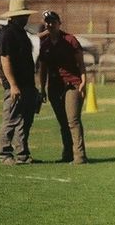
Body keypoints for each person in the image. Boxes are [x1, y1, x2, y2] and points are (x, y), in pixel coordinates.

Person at [37, 11, 89, 164]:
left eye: (53, 21)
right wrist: (42, 88)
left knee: (73, 120)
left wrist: (84, 82)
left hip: (72, 85)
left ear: (60, 23)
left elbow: (81, 63)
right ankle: (67, 154)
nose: (50, 25)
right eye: (48, 22)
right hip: (54, 87)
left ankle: (80, 156)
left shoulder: (70, 40)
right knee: (62, 122)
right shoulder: (45, 44)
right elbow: (43, 69)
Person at [0, 0, 40, 165]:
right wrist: (13, 85)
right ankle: (5, 154)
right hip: (16, 86)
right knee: (11, 119)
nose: (26, 18)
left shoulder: (21, 33)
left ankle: (22, 153)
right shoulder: (7, 34)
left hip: (27, 84)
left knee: (25, 120)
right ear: (15, 17)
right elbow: (5, 59)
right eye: (23, 16)